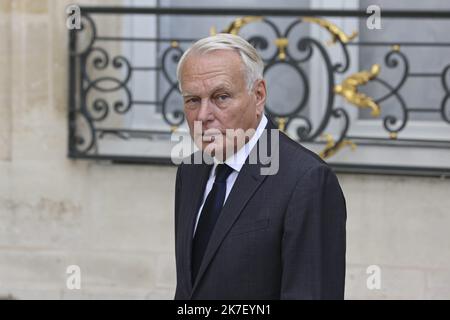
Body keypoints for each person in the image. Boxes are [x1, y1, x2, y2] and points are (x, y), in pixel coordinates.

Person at [173, 33, 347, 300]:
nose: (203, 116)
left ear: (258, 95)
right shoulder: (191, 171)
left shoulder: (306, 180)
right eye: (192, 100)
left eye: (221, 97)